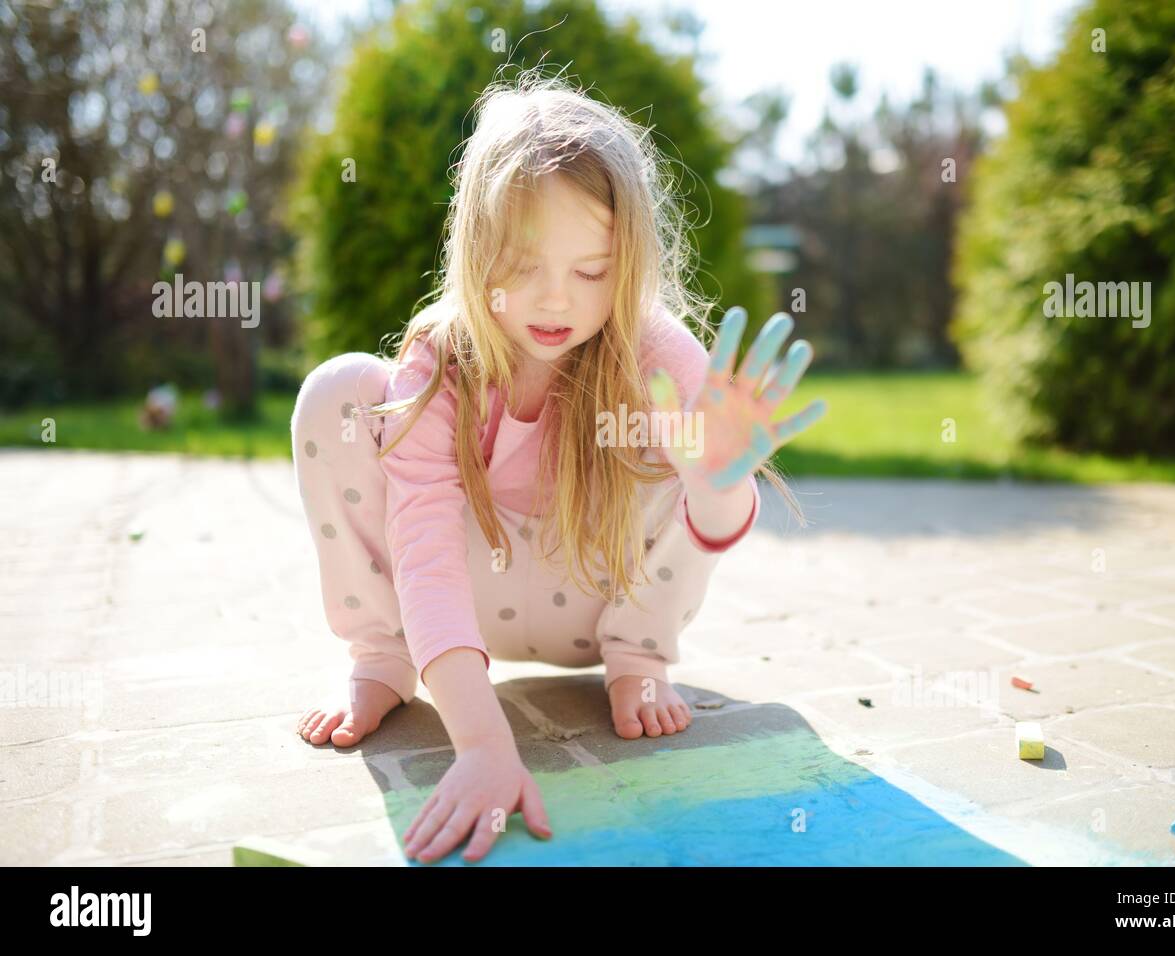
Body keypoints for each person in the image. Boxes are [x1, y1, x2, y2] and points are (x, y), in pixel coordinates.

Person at [289, 70, 826, 863]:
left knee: (679, 433)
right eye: (523, 264)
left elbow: (711, 525)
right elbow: (429, 555)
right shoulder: (442, 361)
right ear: (475, 248)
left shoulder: (650, 347)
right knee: (340, 392)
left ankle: (637, 660)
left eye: (591, 270)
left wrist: (716, 480)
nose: (555, 301)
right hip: (466, 603)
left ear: (630, 260)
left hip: (599, 599)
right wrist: (480, 743)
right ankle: (384, 655)